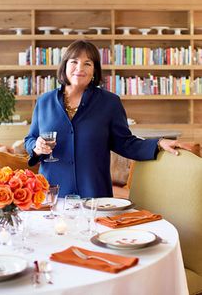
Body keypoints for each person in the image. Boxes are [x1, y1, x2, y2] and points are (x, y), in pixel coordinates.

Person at [25, 40, 190, 198]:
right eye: (74, 61)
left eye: (87, 63)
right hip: (52, 194)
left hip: (94, 195)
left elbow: (125, 142)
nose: (79, 68)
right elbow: (30, 139)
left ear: (94, 71)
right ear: (65, 65)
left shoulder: (109, 102)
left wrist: (159, 143)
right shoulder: (44, 101)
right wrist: (36, 147)